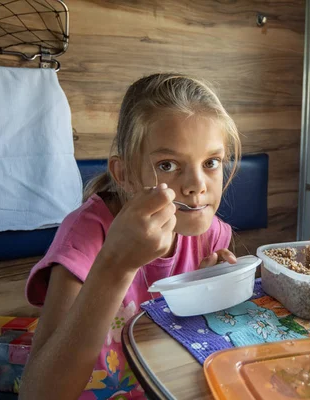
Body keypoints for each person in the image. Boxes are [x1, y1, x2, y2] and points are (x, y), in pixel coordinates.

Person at [20, 73, 241, 399]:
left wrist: (208, 299)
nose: (197, 185)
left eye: (211, 162)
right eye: (167, 165)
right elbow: (38, 394)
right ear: (124, 174)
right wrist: (116, 264)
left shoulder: (213, 235)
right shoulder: (86, 235)